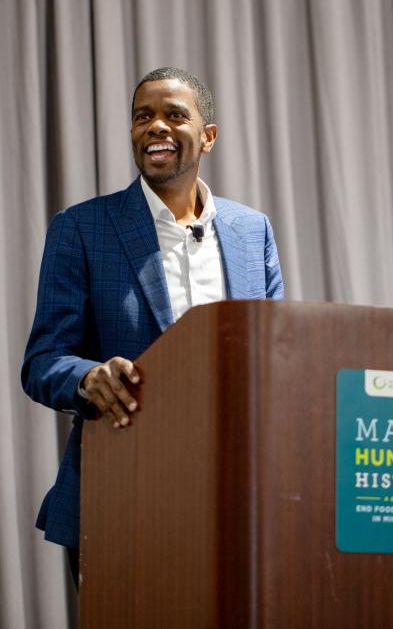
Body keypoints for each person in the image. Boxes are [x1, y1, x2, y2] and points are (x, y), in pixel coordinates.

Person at [21, 67, 285, 582]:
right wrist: (89, 378)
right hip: (123, 491)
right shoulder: (81, 228)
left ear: (207, 136)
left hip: (240, 496)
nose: (156, 126)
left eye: (174, 115)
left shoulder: (252, 231)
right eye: (143, 117)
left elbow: (278, 356)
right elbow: (42, 362)